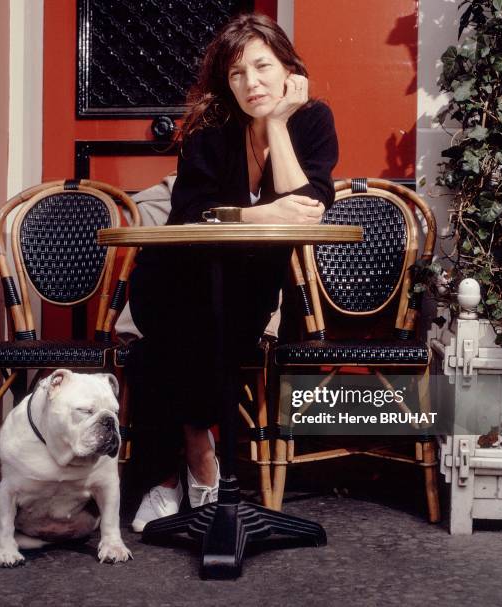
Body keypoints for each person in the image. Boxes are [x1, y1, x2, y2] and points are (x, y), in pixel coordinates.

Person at [124, 12, 338, 532]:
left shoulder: (312, 119)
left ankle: (177, 473)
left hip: (251, 285)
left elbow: (308, 207)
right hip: (176, 276)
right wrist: (258, 214)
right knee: (189, 312)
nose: (252, 83)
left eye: (263, 66)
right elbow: (191, 217)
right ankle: (200, 460)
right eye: (238, 73)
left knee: (168, 345)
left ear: (290, 68)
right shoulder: (211, 126)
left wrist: (279, 123)